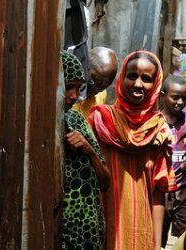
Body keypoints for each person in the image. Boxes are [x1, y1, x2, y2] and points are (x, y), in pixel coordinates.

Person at [88, 50, 177, 250]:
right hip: (100, 232)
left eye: (146, 79)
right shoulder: (99, 121)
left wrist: (156, 246)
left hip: (140, 235)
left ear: (155, 85)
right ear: (121, 79)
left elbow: (157, 194)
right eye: (132, 76)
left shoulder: (159, 131)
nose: (138, 84)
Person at [60, 50, 111, 249]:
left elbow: (105, 183)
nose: (74, 96)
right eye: (68, 86)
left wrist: (89, 151)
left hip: (88, 233)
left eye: (79, 88)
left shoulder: (77, 121)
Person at [159, 75, 186, 248]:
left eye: (184, 97)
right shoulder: (154, 121)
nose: (180, 102)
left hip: (185, 189)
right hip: (161, 189)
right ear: (162, 96)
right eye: (175, 97)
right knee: (157, 238)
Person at [72, 47, 118, 118]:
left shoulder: (101, 95)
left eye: (102, 87)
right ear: (85, 68)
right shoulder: (69, 93)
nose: (96, 91)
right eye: (93, 81)